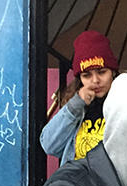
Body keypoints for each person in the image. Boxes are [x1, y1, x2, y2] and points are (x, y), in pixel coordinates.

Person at [40, 30, 118, 165]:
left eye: (101, 72)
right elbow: (49, 145)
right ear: (79, 79)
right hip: (76, 184)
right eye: (87, 75)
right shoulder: (76, 107)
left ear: (113, 73)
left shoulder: (126, 103)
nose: (95, 80)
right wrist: (75, 105)